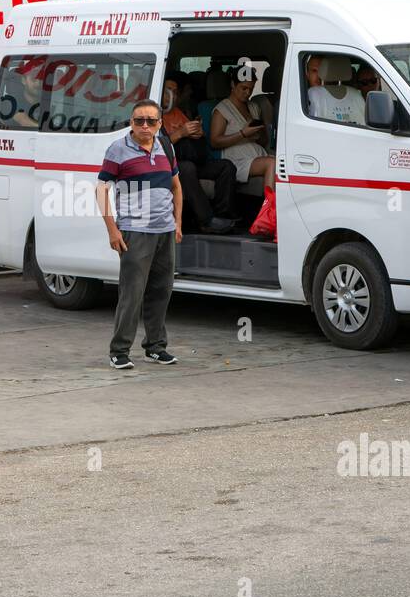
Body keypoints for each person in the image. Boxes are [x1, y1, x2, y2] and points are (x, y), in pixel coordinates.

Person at [97, 100, 184, 370]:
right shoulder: (118, 150)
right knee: (132, 294)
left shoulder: (166, 147)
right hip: (135, 232)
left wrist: (177, 222)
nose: (144, 126)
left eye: (150, 121)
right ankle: (119, 351)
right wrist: (113, 230)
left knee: (161, 291)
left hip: (164, 231)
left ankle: (155, 347)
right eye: (138, 121)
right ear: (131, 122)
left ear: (160, 124)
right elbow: (102, 190)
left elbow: (176, 186)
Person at [161, 70, 237, 233]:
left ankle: (222, 215)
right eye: (168, 91)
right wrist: (180, 133)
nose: (171, 95)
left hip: (190, 158)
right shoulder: (153, 114)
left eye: (175, 92)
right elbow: (156, 147)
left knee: (226, 166)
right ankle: (206, 220)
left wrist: (198, 133)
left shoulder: (178, 113)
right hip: (165, 163)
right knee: (187, 168)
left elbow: (194, 142)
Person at [209, 66, 277, 235]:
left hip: (256, 152)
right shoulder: (222, 109)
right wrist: (242, 134)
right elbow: (215, 141)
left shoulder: (254, 107)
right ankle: (268, 215)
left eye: (251, 89)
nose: (247, 93)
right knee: (272, 163)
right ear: (233, 85)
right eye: (243, 88)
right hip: (236, 159)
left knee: (280, 160)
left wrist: (258, 133)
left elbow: (263, 140)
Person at [304, 54, 365, 125]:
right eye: (314, 71)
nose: (319, 75)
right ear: (307, 74)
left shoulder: (356, 96)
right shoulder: (301, 99)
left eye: (322, 70)